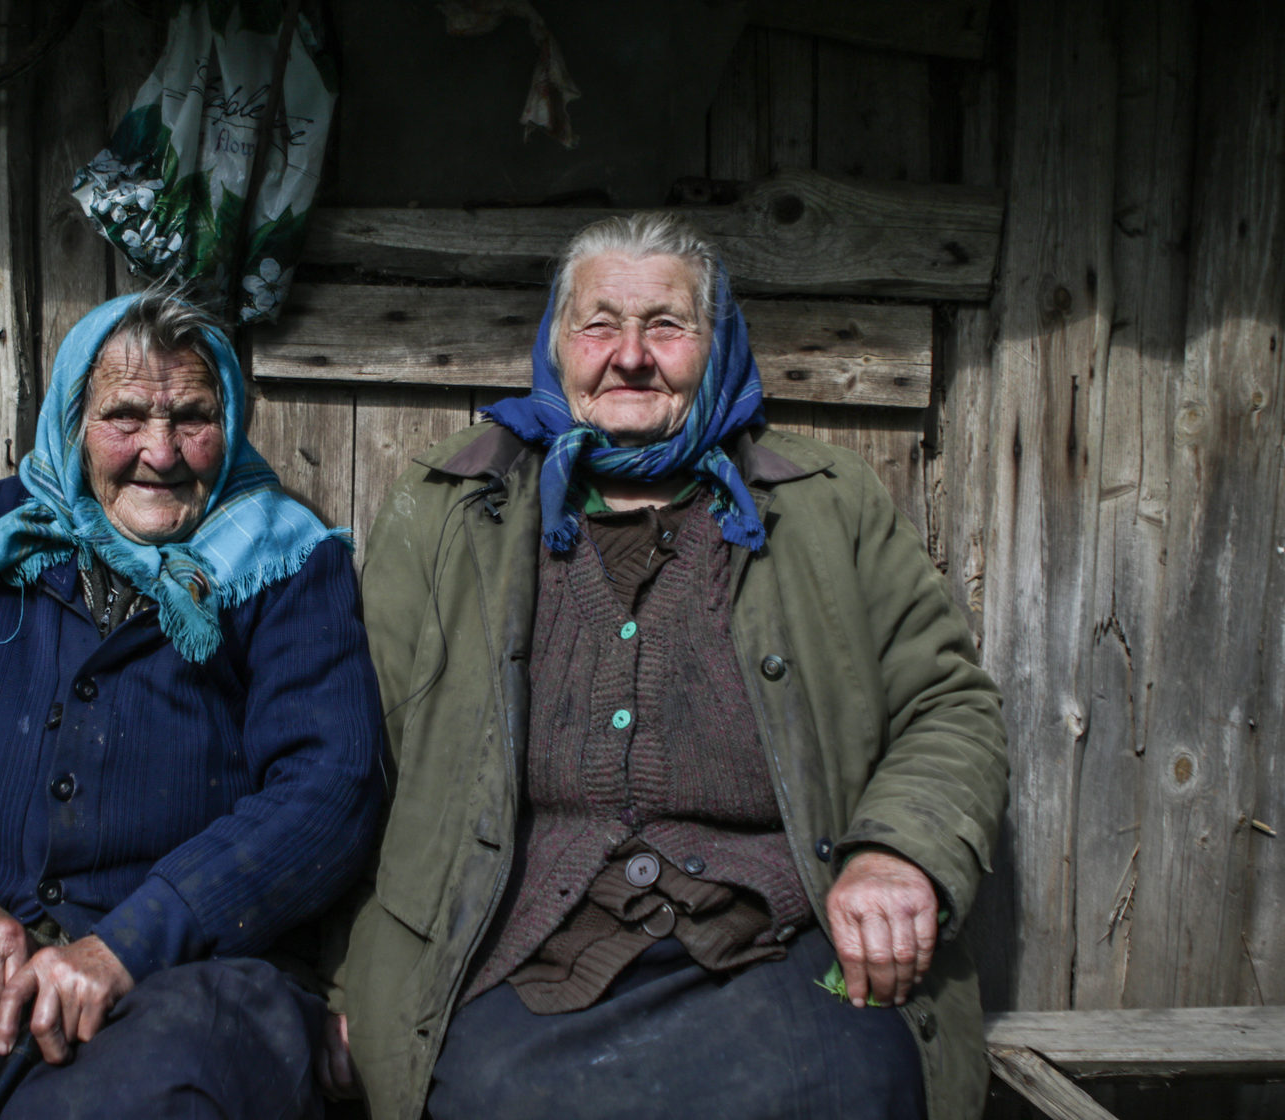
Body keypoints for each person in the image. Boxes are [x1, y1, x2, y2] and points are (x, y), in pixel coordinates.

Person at [320, 214, 1008, 1120]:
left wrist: (897, 855)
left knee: (849, 1087)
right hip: (516, 942)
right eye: (600, 324)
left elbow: (948, 703)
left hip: (784, 937)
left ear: (716, 347)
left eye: (668, 326)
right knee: (489, 1098)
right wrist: (348, 979)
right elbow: (359, 763)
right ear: (557, 343)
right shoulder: (453, 510)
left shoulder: (822, 504)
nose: (631, 355)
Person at [0, 289, 386, 1119]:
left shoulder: (285, 564)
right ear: (71, 421)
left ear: (229, 424)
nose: (161, 453)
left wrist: (131, 942)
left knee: (157, 1098)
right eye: (125, 416)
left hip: (179, 975)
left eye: (192, 416)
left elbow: (330, 786)